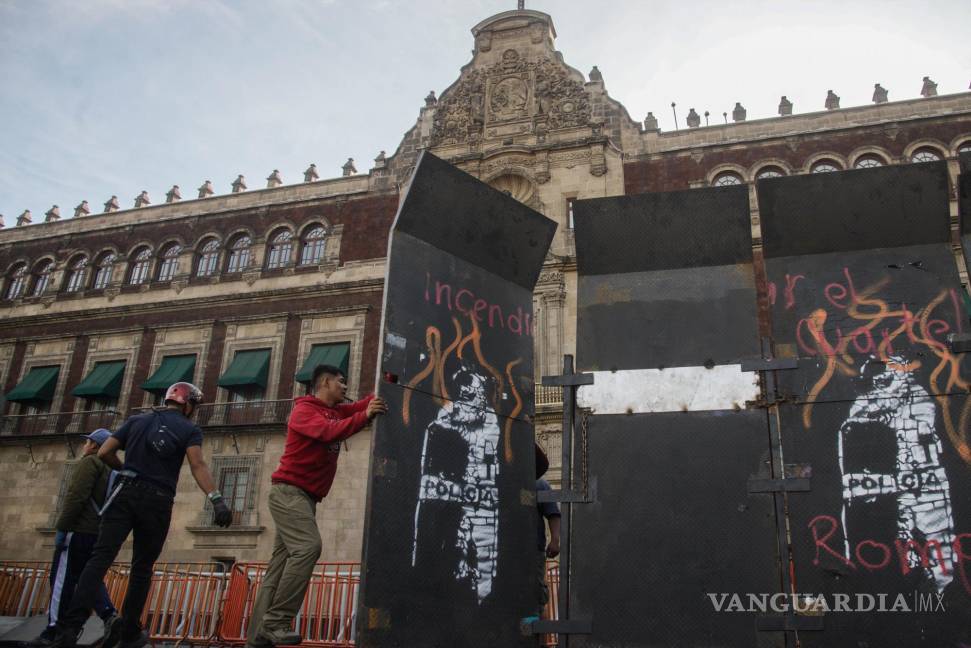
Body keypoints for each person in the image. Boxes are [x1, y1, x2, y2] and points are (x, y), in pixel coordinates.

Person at [52, 383, 232, 648]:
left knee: (99, 560)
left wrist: (126, 470)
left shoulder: (136, 420)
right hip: (157, 501)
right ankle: (129, 633)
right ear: (187, 404)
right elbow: (197, 465)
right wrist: (216, 500)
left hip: (124, 494)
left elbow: (104, 452)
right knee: (141, 568)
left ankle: (69, 628)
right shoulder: (189, 429)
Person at [246, 365, 387, 648]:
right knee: (308, 547)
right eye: (341, 382)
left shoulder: (336, 411)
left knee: (278, 568)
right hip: (289, 494)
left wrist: (389, 381)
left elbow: (362, 405)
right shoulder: (304, 411)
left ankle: (257, 639)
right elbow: (328, 432)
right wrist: (365, 416)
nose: (346, 387)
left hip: (304, 499)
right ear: (325, 382)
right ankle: (276, 622)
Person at [30, 430, 118, 648]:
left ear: (96, 446)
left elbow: (75, 497)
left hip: (77, 531)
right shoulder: (113, 471)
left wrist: (62, 528)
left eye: (87, 442)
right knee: (90, 579)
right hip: (97, 535)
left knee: (61, 581)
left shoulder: (90, 463)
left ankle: (53, 630)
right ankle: (109, 615)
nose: (84, 446)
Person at [535, 445, 560, 618]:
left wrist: (555, 540)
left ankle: (541, 643)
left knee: (537, 597)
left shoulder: (540, 484)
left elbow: (553, 512)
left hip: (532, 552)